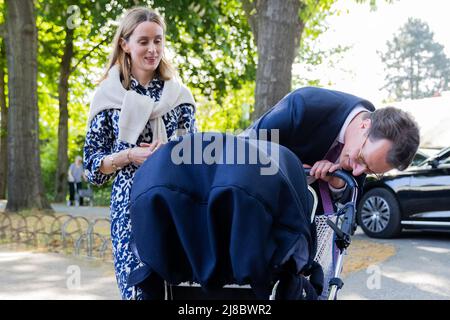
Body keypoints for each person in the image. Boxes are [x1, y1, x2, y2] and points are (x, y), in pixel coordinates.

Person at [83, 7, 197, 300]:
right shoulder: (107, 96)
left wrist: (171, 151)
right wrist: (128, 156)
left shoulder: (179, 96)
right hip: (129, 210)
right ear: (125, 44)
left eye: (158, 40)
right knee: (138, 292)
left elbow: (195, 155)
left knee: (175, 292)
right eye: (144, 41)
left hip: (175, 205)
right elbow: (92, 168)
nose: (152, 49)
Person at [244, 86, 420, 209]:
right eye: (361, 159)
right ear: (365, 126)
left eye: (369, 171)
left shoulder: (366, 153)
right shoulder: (305, 105)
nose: (358, 172)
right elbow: (241, 150)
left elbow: (349, 206)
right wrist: (290, 168)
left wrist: (337, 184)